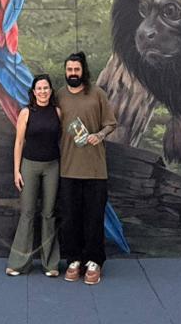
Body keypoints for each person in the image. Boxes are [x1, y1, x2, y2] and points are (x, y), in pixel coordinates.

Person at [54, 52, 117, 286]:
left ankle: (94, 261)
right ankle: (74, 259)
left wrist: (99, 135)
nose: (72, 73)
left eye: (76, 70)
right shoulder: (59, 96)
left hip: (95, 170)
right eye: (69, 70)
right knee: (70, 218)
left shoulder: (97, 94)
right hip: (68, 169)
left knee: (93, 217)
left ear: (83, 71)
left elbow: (111, 123)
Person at [5, 74, 62, 277]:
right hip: (29, 166)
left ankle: (51, 264)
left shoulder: (57, 112)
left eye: (46, 88)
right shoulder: (26, 113)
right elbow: (19, 143)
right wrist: (16, 171)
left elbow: (62, 140)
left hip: (52, 167)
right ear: (34, 91)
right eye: (39, 88)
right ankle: (19, 263)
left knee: (48, 214)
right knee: (27, 213)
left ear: (51, 90)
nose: (43, 92)